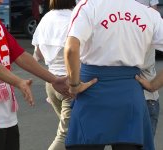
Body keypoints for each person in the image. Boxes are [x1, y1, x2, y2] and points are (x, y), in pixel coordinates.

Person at [0, 0, 79, 149]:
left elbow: (20, 55)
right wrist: (19, 82)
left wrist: (54, 80)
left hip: (8, 118)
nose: (0, 1)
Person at [63, 0, 163, 149]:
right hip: (129, 94)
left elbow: (71, 49)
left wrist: (74, 84)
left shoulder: (88, 7)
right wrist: (154, 84)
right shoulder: (149, 13)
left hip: (92, 91)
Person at [31, 0, 75, 149]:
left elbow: (37, 54)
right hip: (70, 83)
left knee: (73, 134)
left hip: (51, 83)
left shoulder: (46, 18)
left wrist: (54, 61)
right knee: (65, 135)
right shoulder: (75, 18)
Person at [136, 0, 160, 137]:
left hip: (116, 95)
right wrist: (152, 85)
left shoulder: (102, 14)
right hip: (146, 95)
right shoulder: (150, 16)